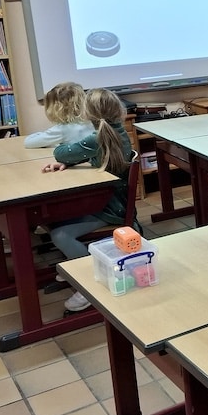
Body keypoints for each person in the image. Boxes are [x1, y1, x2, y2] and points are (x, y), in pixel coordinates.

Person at [42, 88, 136, 313]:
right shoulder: (116, 132)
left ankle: (91, 281)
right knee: (54, 219)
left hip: (109, 209)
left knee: (60, 234)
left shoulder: (97, 137)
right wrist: (71, 162)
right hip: (109, 202)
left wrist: (67, 158)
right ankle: (75, 264)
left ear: (86, 113)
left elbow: (61, 152)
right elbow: (83, 155)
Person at [23, 81, 93, 149]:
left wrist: (42, 134)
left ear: (54, 109)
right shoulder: (92, 122)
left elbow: (29, 142)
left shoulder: (62, 130)